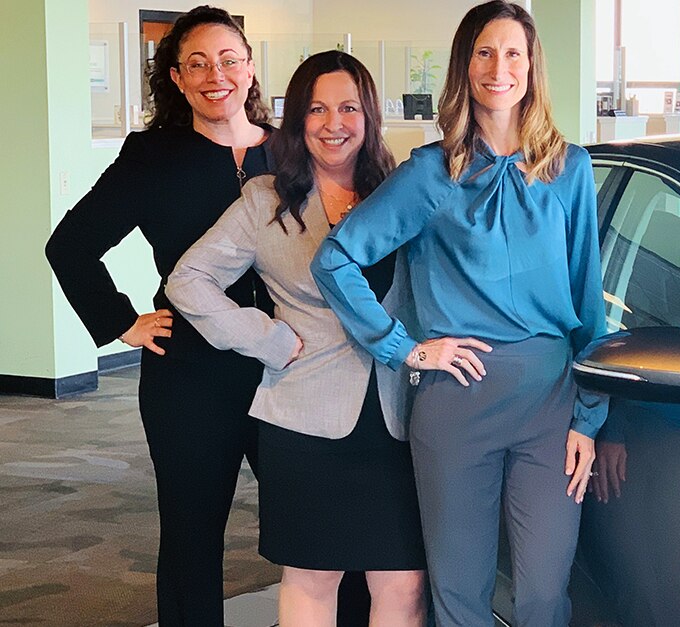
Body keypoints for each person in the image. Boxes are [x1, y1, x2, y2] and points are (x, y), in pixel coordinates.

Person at [310, 1, 608, 624]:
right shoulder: (430, 172)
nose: (500, 68)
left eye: (513, 54)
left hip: (551, 401)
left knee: (544, 593)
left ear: (532, 67)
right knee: (460, 592)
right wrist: (405, 347)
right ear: (464, 66)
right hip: (455, 399)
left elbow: (587, 303)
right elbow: (335, 259)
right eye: (484, 52)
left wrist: (590, 417)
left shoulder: (570, 168)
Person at [166, 50, 427, 626]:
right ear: (297, 119)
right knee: (312, 580)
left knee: (404, 584)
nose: (334, 123)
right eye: (317, 109)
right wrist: (263, 337)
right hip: (304, 419)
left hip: (400, 419)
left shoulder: (403, 192)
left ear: (370, 116)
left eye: (349, 108)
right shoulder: (266, 200)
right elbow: (188, 279)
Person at [44, 6, 273, 624]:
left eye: (228, 60)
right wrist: (123, 322)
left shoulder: (291, 152)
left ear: (250, 68)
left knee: (309, 517)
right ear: (176, 78)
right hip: (190, 374)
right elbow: (69, 244)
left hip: (286, 366)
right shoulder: (154, 155)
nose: (214, 74)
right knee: (192, 530)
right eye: (195, 64)